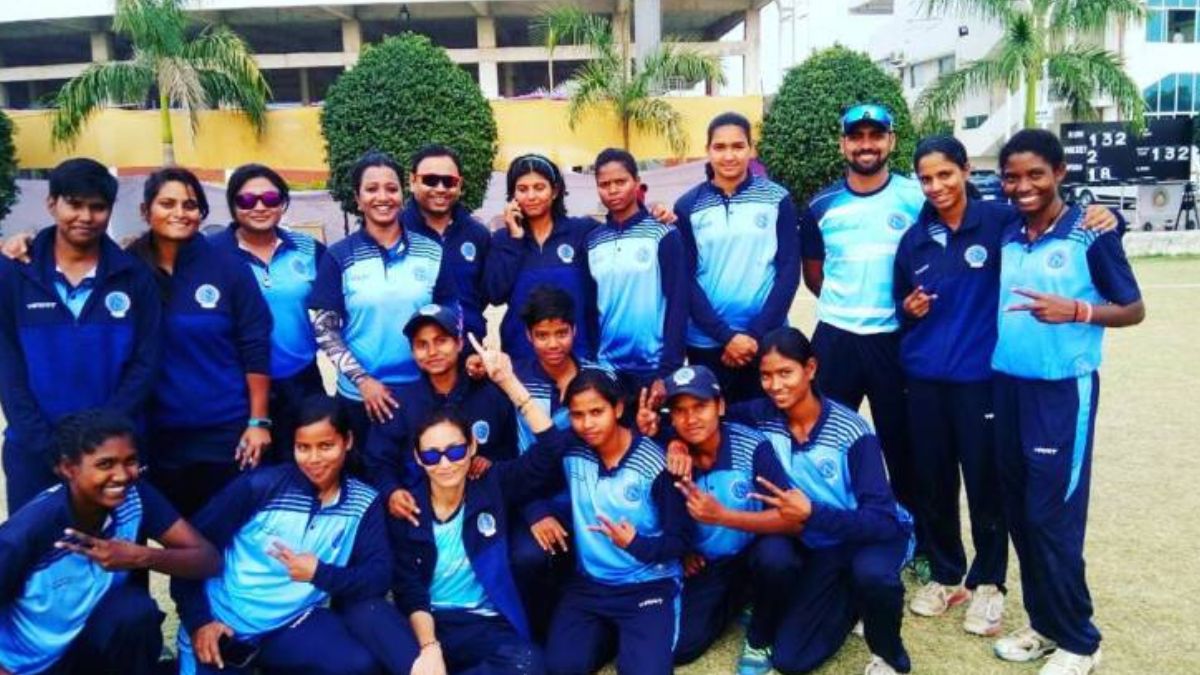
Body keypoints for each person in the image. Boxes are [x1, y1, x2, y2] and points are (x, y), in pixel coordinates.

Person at [893, 136, 1119, 634]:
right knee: (933, 483)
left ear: (965, 171)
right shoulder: (914, 239)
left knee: (986, 485)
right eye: (926, 178)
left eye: (945, 174)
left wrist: (1106, 215)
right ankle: (947, 574)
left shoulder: (1001, 222)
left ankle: (989, 582)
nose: (937, 186)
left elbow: (1054, 215)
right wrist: (908, 309)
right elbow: (900, 307)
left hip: (983, 381)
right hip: (924, 381)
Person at [989, 129, 1144, 675]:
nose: (1023, 186)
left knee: (1051, 517)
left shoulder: (1089, 232)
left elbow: (1133, 308)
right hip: (1007, 387)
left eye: (1035, 174)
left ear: (1059, 173)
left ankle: (1080, 640)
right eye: (1012, 177)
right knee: (1020, 514)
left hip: (1061, 391)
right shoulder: (1008, 229)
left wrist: (1077, 311)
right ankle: (1045, 624)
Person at [364, 333, 568, 675]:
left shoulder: (492, 484)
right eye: (432, 455)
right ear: (418, 457)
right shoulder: (408, 507)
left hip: (481, 623)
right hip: (426, 622)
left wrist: (510, 384)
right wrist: (429, 648)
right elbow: (409, 589)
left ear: (472, 447)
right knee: (372, 621)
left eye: (456, 451)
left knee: (530, 664)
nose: (445, 463)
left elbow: (551, 450)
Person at [727, 327, 915, 675]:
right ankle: (850, 602)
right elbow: (710, 418)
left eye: (786, 372)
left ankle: (890, 654)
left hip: (870, 537)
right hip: (822, 544)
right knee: (791, 660)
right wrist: (671, 438)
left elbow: (882, 519)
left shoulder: (852, 430)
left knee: (872, 574)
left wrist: (812, 512)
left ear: (810, 369)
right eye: (766, 375)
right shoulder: (761, 415)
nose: (775, 385)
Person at [171, 395, 395, 675]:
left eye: (326, 446)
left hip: (290, 625)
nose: (314, 459)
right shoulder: (260, 486)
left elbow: (378, 576)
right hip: (222, 626)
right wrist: (199, 622)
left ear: (347, 441)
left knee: (356, 665)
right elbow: (189, 553)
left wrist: (320, 573)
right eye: (303, 448)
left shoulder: (363, 503)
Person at [0, 409, 219, 675]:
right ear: (68, 468)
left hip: (80, 649)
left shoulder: (136, 498)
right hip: (24, 667)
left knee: (134, 612)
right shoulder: (30, 530)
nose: (122, 475)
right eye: (105, 464)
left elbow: (208, 559)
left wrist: (140, 556)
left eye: (130, 461)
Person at [0, 158, 162, 511]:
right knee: (36, 545)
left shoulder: (134, 276)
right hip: (34, 453)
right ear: (52, 203)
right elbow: (8, 369)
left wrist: (102, 442)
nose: (85, 217)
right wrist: (47, 446)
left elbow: (145, 364)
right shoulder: (12, 274)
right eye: (74, 204)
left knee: (117, 545)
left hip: (114, 454)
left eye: (97, 207)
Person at [799, 103, 925, 555]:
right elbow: (814, 275)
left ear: (891, 141)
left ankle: (910, 537)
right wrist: (850, 305)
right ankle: (830, 532)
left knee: (902, 443)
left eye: (876, 135)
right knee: (824, 440)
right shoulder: (821, 205)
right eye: (857, 136)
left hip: (895, 339)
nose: (866, 145)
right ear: (843, 144)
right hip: (836, 338)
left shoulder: (916, 197)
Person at [127, 167, 273, 516]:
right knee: (176, 534)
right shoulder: (126, 268)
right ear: (146, 211)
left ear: (202, 213)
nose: (180, 213)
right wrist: (24, 244)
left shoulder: (228, 267)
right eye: (167, 203)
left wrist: (258, 421)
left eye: (190, 205)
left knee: (226, 530)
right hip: (156, 434)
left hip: (225, 430)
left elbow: (255, 345)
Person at [635, 365, 800, 672]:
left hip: (754, 550)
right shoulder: (670, 454)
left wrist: (724, 516)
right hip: (708, 563)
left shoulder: (753, 446)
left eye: (700, 406)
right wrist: (683, 552)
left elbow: (792, 518)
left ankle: (760, 636)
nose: (691, 418)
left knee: (777, 557)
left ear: (720, 406)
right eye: (680, 410)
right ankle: (739, 597)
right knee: (681, 648)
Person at [308, 150, 459, 449]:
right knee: (367, 471)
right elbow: (324, 330)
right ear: (358, 198)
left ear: (402, 194)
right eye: (371, 189)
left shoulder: (431, 251)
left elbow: (452, 310)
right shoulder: (339, 256)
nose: (383, 197)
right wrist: (363, 381)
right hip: (360, 397)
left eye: (391, 188)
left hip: (422, 390)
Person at [543, 369, 689, 675]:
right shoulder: (571, 452)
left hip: (647, 585)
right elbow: (525, 478)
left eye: (597, 412)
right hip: (590, 584)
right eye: (577, 415)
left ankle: (631, 637)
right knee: (561, 667)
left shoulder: (656, 464)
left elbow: (680, 541)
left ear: (618, 409)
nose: (587, 424)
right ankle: (613, 635)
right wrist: (536, 514)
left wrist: (635, 543)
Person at [672, 112, 800, 403]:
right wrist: (725, 336)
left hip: (766, 339)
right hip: (707, 341)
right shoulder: (687, 206)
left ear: (751, 149)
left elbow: (789, 271)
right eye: (720, 147)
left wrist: (755, 335)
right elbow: (685, 279)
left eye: (738, 146)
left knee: (767, 421)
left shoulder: (777, 199)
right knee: (714, 421)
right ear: (707, 150)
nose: (729, 156)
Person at [211, 163, 326, 461]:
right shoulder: (210, 254)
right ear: (233, 205)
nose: (260, 207)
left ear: (283, 203)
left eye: (271, 199)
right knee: (251, 468)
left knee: (309, 464)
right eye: (247, 200)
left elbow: (333, 309)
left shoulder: (308, 249)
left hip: (303, 379)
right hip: (237, 386)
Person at [363, 303, 518, 508]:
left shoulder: (491, 395)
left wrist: (492, 463)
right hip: (418, 510)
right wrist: (392, 491)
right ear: (412, 351)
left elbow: (511, 452)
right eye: (422, 344)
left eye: (441, 341)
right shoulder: (398, 403)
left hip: (483, 507)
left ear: (459, 343)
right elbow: (378, 461)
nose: (432, 352)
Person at [586, 147, 688, 404]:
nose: (613, 190)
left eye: (620, 181)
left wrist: (668, 370)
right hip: (607, 367)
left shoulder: (664, 234)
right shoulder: (593, 241)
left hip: (653, 368)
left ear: (637, 182)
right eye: (604, 184)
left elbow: (678, 303)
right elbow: (590, 308)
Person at [483, 153, 597, 361]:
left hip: (577, 355)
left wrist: (654, 216)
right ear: (512, 195)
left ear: (555, 191)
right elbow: (495, 294)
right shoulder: (503, 240)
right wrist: (515, 240)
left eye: (539, 187)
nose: (531, 196)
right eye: (522, 189)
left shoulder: (581, 232)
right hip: (522, 356)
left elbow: (621, 231)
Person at [402, 144, 491, 343]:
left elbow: (482, 295)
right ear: (412, 181)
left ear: (459, 184)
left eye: (449, 181)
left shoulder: (478, 235)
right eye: (430, 180)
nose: (440, 188)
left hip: (467, 351)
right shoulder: (395, 232)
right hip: (411, 351)